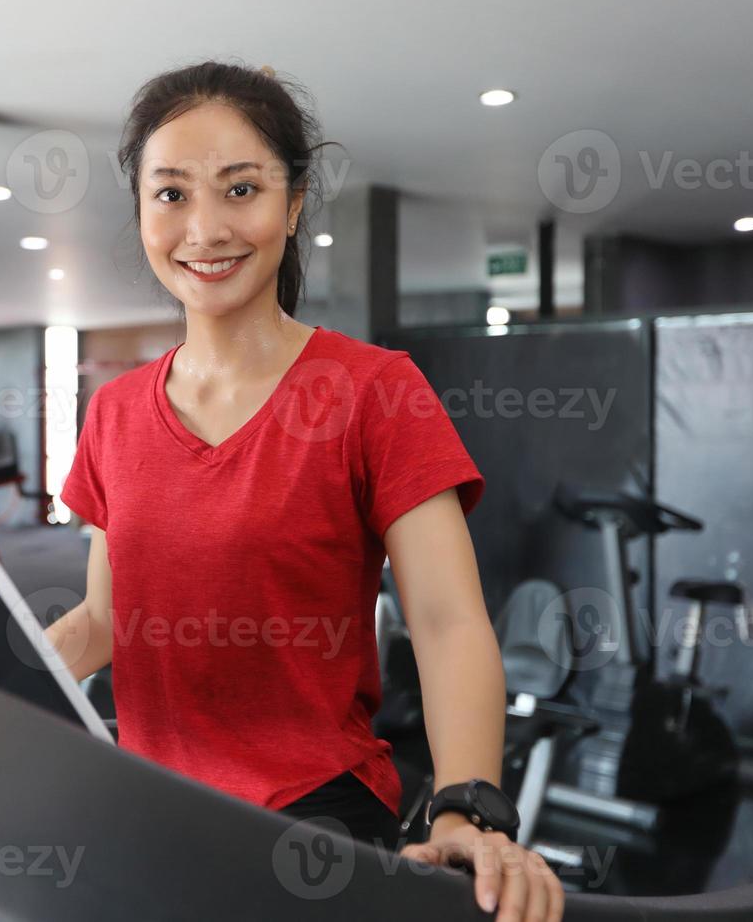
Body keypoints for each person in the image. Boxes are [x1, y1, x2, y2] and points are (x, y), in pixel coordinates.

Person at [44, 60, 563, 922]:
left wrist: (469, 807)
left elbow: (446, 622)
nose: (204, 228)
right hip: (145, 815)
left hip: (309, 821)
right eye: (170, 195)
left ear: (291, 205)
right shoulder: (115, 411)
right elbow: (105, 623)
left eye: (239, 188)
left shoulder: (375, 391)